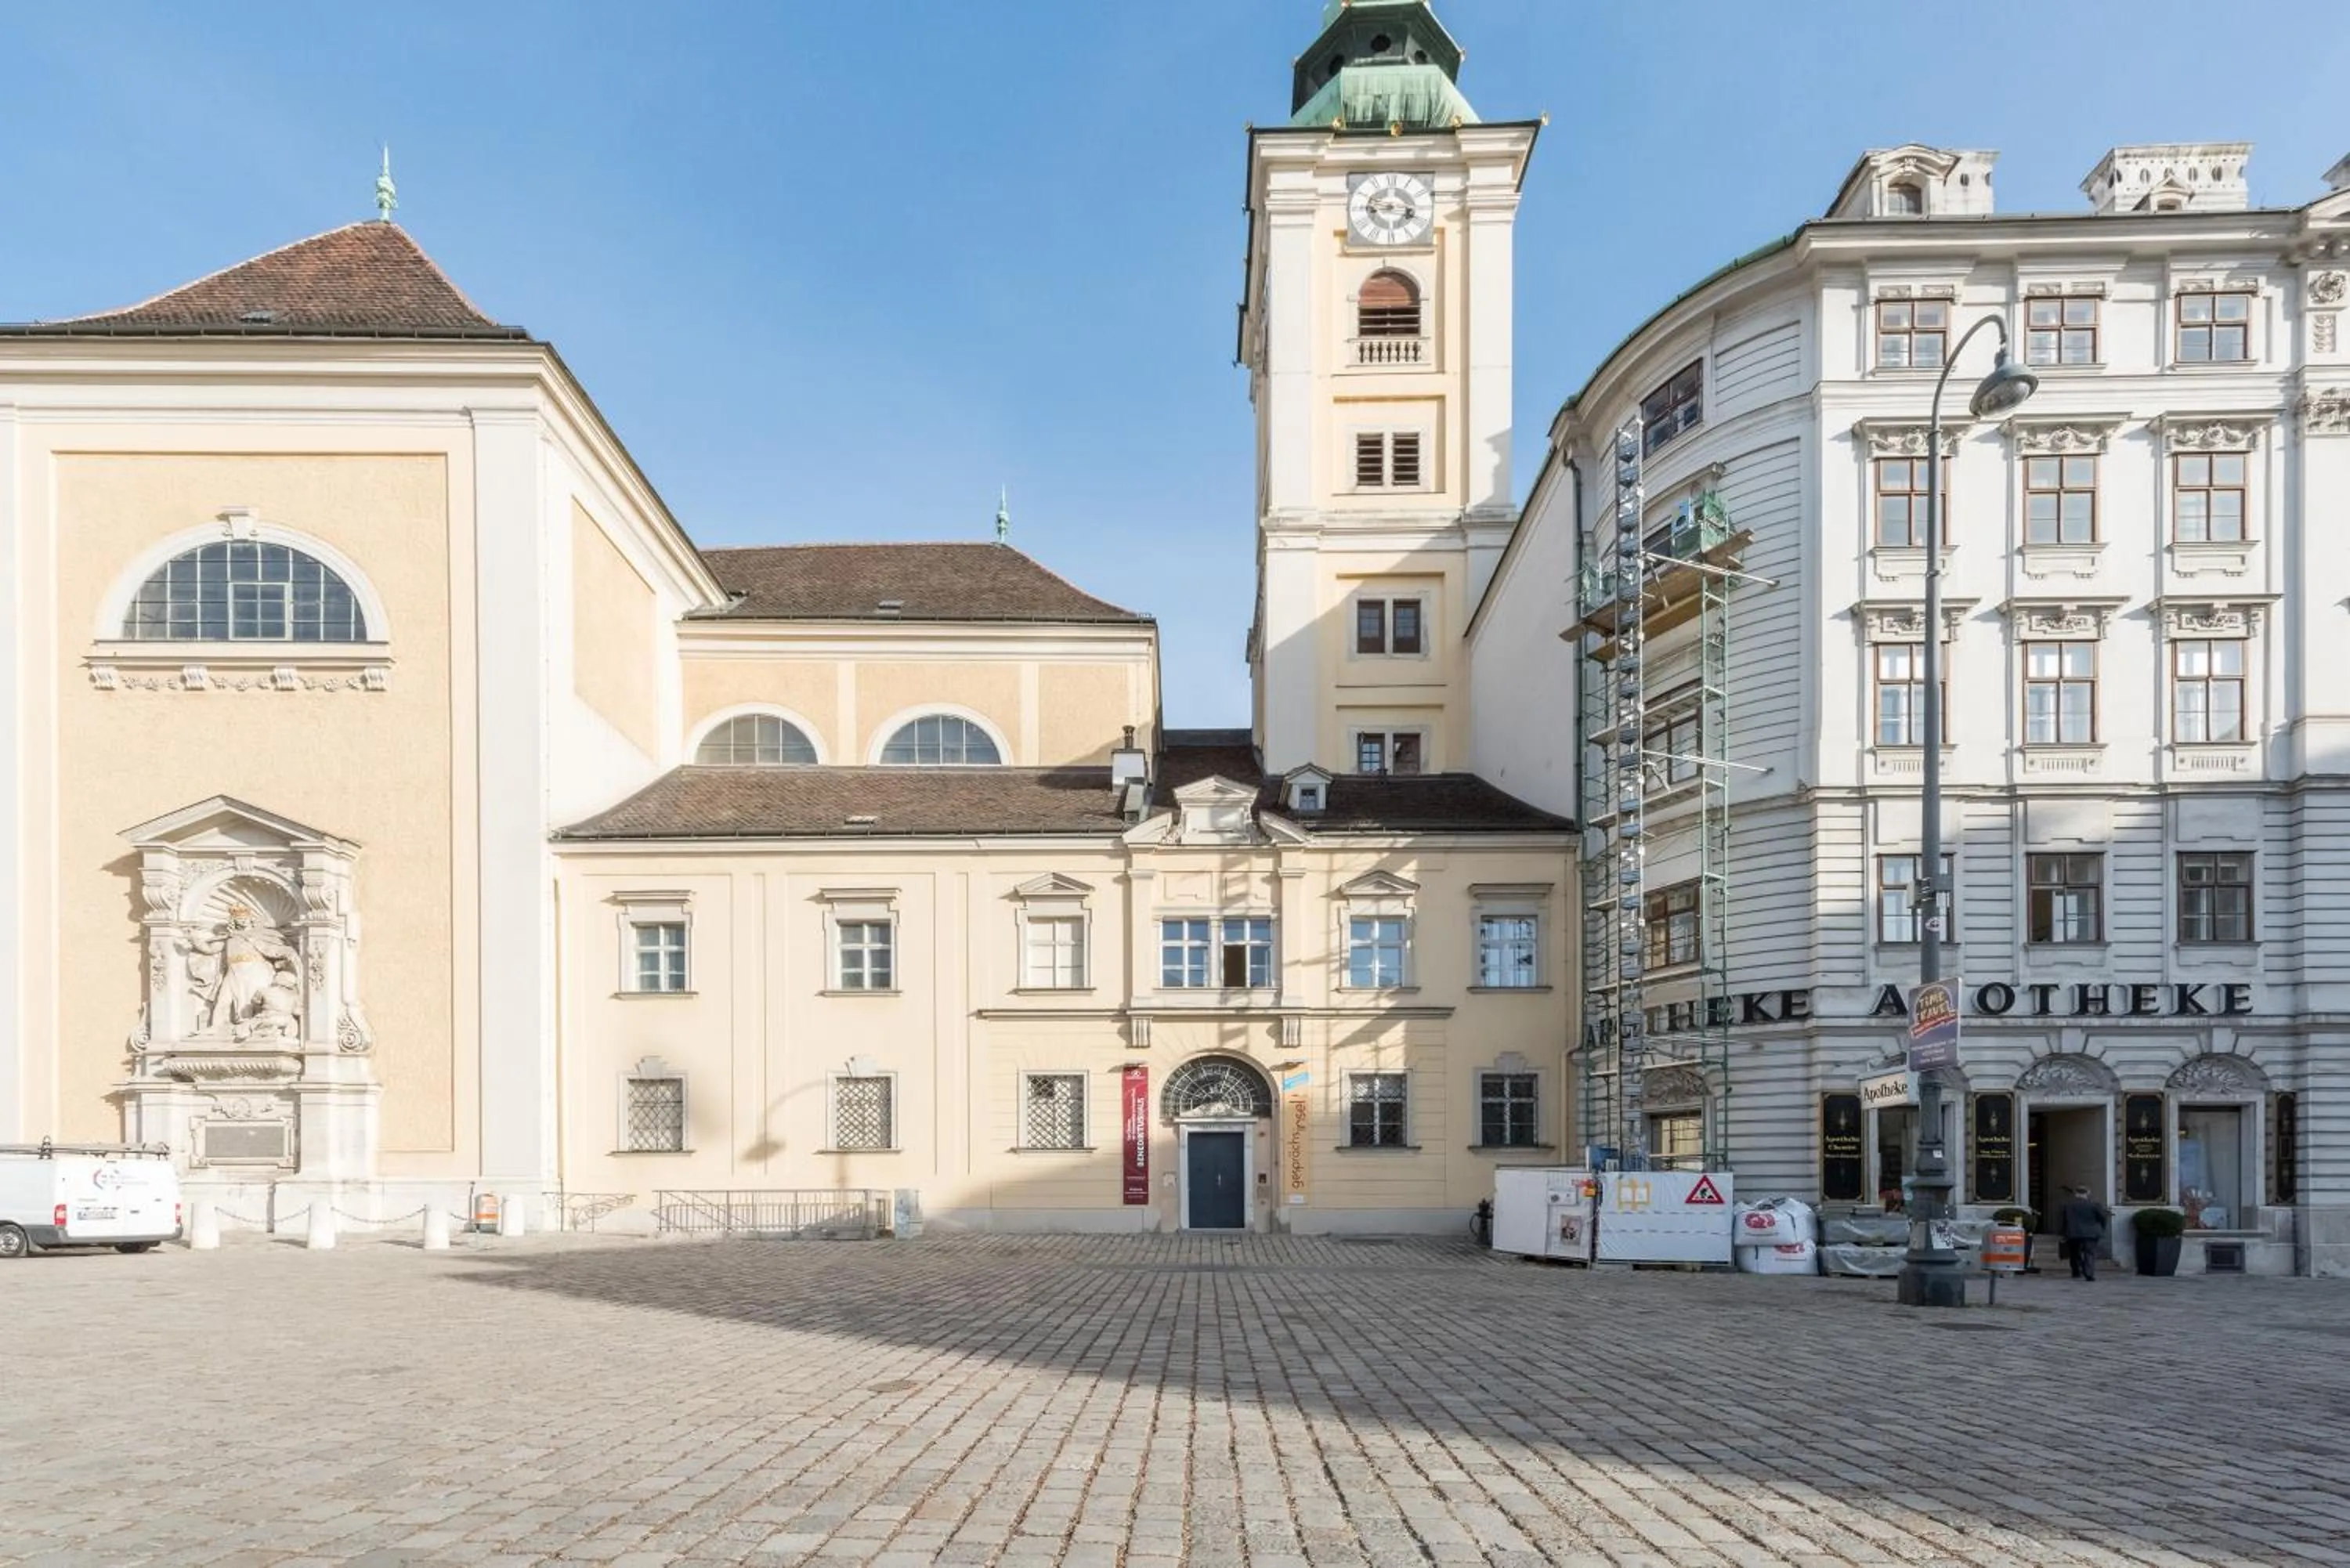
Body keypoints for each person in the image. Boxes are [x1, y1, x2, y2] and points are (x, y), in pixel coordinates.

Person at [2057, 1184, 2111, 1281]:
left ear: (2076, 1194)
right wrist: (2101, 1228)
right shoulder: (2094, 1204)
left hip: (2073, 1232)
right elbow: (2102, 1217)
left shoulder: (2068, 1205)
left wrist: (2063, 1232)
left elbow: (2063, 1220)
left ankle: (2076, 1271)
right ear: (2087, 1193)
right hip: (2091, 1233)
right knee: (2089, 1253)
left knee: (2074, 1253)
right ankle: (2089, 1273)